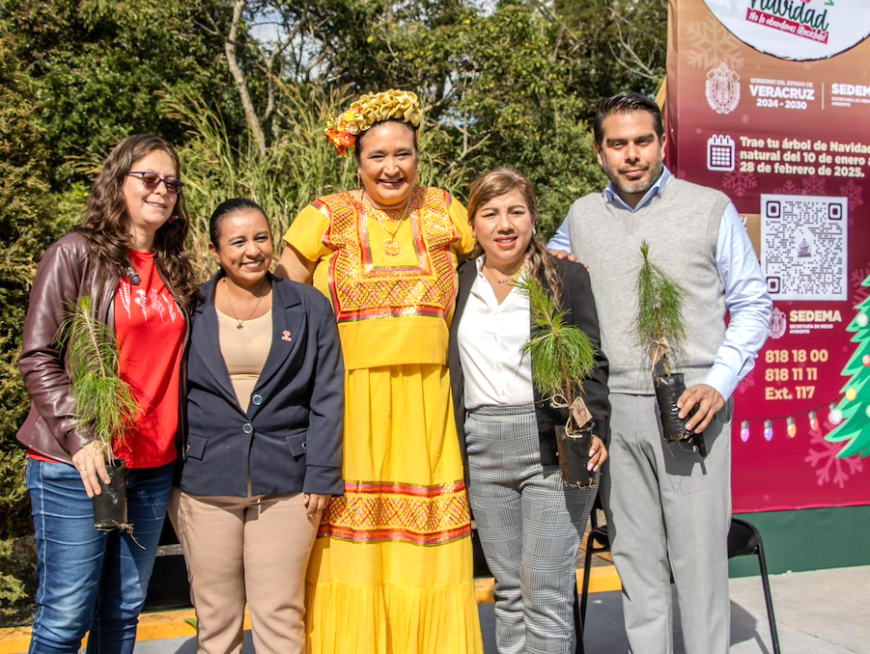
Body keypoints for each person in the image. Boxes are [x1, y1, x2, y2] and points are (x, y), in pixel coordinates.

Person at [548, 92, 772, 654]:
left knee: (699, 560)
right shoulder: (581, 216)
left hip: (691, 406)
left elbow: (753, 305)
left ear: (663, 143)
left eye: (643, 141)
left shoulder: (710, 208)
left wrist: (718, 384)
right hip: (615, 411)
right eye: (617, 144)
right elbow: (544, 280)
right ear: (599, 152)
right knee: (635, 558)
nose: (632, 155)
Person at [277, 90, 483, 654]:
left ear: (418, 156)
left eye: (403, 154)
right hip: (349, 404)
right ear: (357, 160)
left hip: (430, 403)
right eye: (378, 156)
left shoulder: (445, 210)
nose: (392, 167)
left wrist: (554, 259)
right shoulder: (326, 215)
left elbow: (498, 258)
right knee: (353, 543)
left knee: (425, 540)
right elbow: (280, 300)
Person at [18, 134, 197, 654]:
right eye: (148, 178)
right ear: (118, 181)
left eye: (171, 183)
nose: (161, 190)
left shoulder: (174, 267)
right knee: (66, 618)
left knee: (122, 611)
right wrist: (81, 439)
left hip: (150, 467)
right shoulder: (75, 253)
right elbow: (38, 355)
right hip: (83, 465)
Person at [170, 198, 344, 654]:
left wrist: (322, 473)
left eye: (261, 238)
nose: (253, 250)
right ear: (214, 250)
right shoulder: (189, 306)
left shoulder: (308, 306)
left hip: (287, 484)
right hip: (204, 484)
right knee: (216, 621)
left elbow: (327, 393)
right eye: (238, 241)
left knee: (280, 616)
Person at [449, 169, 609, 654]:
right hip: (482, 446)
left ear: (533, 218)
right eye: (490, 213)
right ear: (473, 224)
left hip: (553, 441)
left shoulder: (565, 277)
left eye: (516, 212)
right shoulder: (456, 282)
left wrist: (595, 427)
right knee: (510, 591)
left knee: (545, 589)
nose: (504, 224)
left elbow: (592, 361)